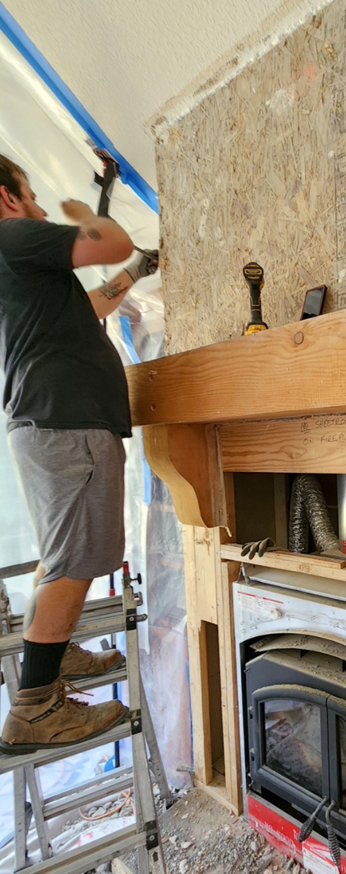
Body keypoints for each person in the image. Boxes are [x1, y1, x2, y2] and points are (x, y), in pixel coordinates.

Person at [0, 154, 156, 753]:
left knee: (62, 552)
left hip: (45, 424)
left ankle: (56, 654)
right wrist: (82, 214)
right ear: (9, 197)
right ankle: (36, 707)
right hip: (67, 425)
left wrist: (137, 273)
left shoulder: (23, 274)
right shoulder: (14, 234)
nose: (39, 206)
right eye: (31, 194)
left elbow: (93, 304)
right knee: (76, 559)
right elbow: (110, 240)